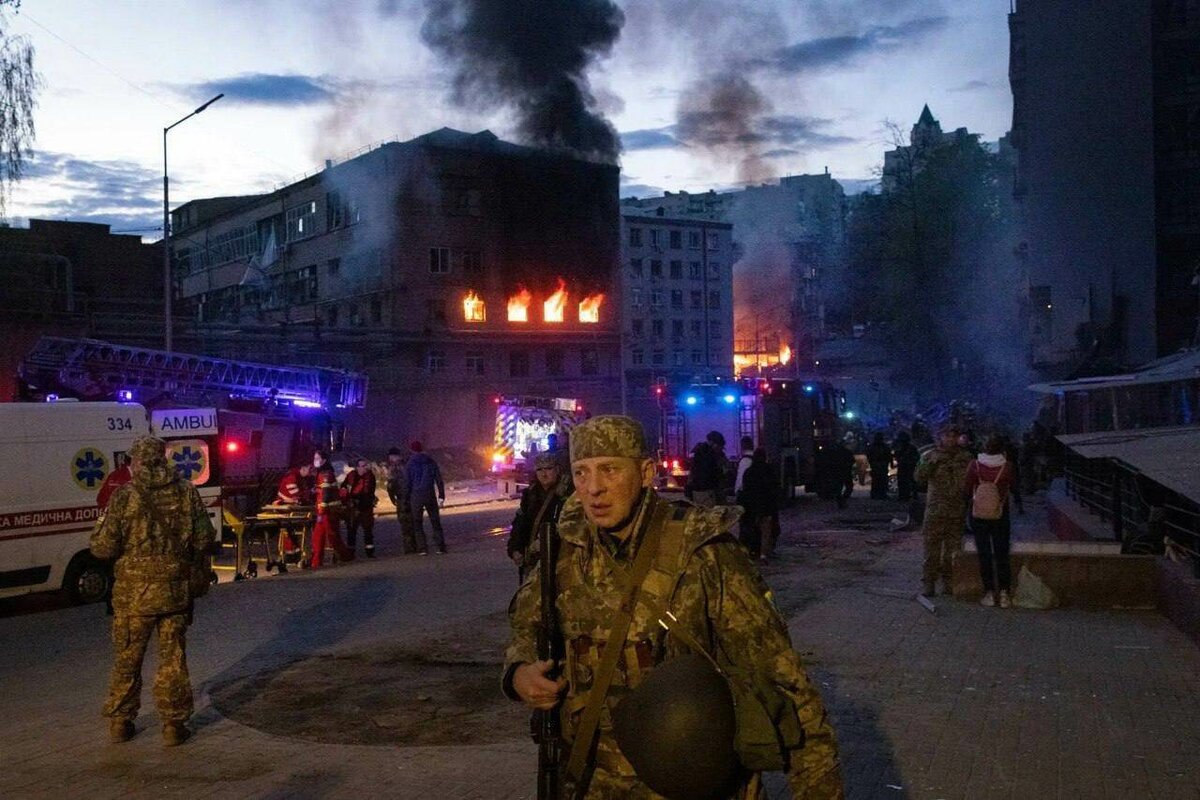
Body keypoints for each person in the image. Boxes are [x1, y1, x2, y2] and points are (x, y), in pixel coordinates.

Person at [503, 416, 843, 799]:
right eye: (581, 473)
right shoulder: (564, 551)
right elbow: (527, 627)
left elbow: (784, 682)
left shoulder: (701, 552)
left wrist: (818, 790)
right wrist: (519, 673)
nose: (593, 488)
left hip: (695, 783)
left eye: (610, 470)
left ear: (646, 472)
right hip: (589, 780)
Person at [88, 436, 216, 746]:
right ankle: (173, 725)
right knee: (172, 658)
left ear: (136, 462)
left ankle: (121, 721)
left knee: (127, 658)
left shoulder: (124, 496)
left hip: (133, 597)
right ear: (163, 459)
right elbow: (204, 539)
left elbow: (103, 549)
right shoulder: (186, 492)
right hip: (174, 592)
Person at [916, 425, 972, 597]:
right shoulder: (930, 456)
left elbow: (972, 481)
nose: (950, 439)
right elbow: (919, 478)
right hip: (935, 511)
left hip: (957, 511)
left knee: (952, 551)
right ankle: (929, 583)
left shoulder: (966, 457)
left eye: (953, 436)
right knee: (931, 550)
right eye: (946, 435)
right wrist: (930, 464)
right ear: (939, 437)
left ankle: (949, 583)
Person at [966, 435, 1016, 608]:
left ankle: (988, 593)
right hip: (1000, 514)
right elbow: (1014, 486)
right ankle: (1004, 594)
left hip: (979, 515)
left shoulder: (975, 465)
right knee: (1002, 554)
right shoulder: (1007, 467)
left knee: (984, 554)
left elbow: (967, 488)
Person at [506, 453, 564, 582]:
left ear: (557, 470)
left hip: (559, 561)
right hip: (533, 562)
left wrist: (546, 541)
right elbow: (519, 524)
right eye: (540, 469)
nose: (544, 474)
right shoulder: (530, 495)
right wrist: (515, 549)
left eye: (548, 469)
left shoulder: (565, 495)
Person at [310, 452, 353, 568]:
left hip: (328, 512)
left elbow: (326, 492)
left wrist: (322, 510)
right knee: (318, 537)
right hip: (325, 511)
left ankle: (345, 556)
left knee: (332, 536)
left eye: (317, 458)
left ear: (324, 460)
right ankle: (316, 562)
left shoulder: (326, 474)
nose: (315, 460)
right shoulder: (323, 472)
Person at [740, 448, 781, 562]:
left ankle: (751, 551)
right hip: (766, 506)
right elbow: (774, 488)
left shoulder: (748, 472)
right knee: (766, 531)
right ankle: (763, 553)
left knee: (752, 529)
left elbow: (745, 489)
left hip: (752, 506)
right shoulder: (769, 470)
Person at [406, 440, 446, 554]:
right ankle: (440, 546)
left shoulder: (410, 463)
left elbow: (407, 483)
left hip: (416, 495)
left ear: (411, 450)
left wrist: (406, 498)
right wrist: (441, 496)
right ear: (422, 448)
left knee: (417, 523)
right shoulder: (430, 461)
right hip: (429, 494)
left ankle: (422, 548)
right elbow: (438, 479)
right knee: (435, 521)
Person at [342, 458, 378, 558]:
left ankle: (370, 552)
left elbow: (369, 492)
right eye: (361, 466)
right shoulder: (351, 476)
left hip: (365, 507)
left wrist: (362, 501)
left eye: (365, 466)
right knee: (351, 530)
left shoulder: (370, 476)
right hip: (352, 507)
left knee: (368, 530)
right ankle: (350, 552)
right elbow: (344, 486)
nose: (363, 468)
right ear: (357, 467)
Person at [384, 447, 418, 554]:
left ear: (394, 456)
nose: (390, 458)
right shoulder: (408, 464)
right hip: (412, 497)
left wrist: (391, 497)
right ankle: (418, 545)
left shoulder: (394, 467)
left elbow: (391, 484)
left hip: (402, 498)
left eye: (391, 456)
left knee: (405, 524)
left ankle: (409, 548)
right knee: (414, 522)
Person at [687, 430, 727, 508]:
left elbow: (693, 471)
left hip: (696, 490)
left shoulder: (698, 451)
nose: (720, 449)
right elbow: (713, 474)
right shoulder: (710, 455)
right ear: (714, 444)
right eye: (720, 447)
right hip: (707, 492)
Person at [893, 431, 920, 501]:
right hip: (904, 467)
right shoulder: (901, 448)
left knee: (909, 481)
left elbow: (916, 457)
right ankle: (903, 495)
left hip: (909, 467)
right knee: (903, 481)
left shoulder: (911, 448)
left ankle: (908, 495)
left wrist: (910, 462)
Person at [830, 437, 857, 510]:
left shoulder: (834, 453)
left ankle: (841, 501)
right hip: (846, 472)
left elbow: (831, 463)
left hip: (838, 472)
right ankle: (843, 500)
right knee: (849, 487)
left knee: (838, 488)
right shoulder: (847, 452)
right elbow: (852, 461)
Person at [865, 433, 893, 500]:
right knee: (878, 481)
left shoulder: (881, 447)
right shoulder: (879, 447)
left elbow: (889, 456)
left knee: (879, 481)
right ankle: (878, 494)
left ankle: (879, 494)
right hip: (878, 466)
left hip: (880, 466)